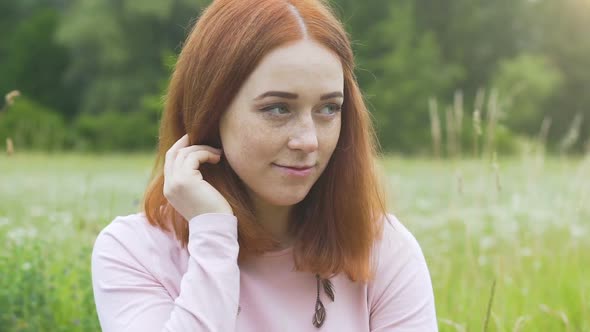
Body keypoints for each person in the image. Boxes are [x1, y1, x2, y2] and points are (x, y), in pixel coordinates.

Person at [91, 0, 438, 331]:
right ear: (211, 112)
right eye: (278, 109)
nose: (309, 140)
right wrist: (213, 232)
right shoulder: (134, 253)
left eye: (329, 108)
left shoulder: (383, 250)